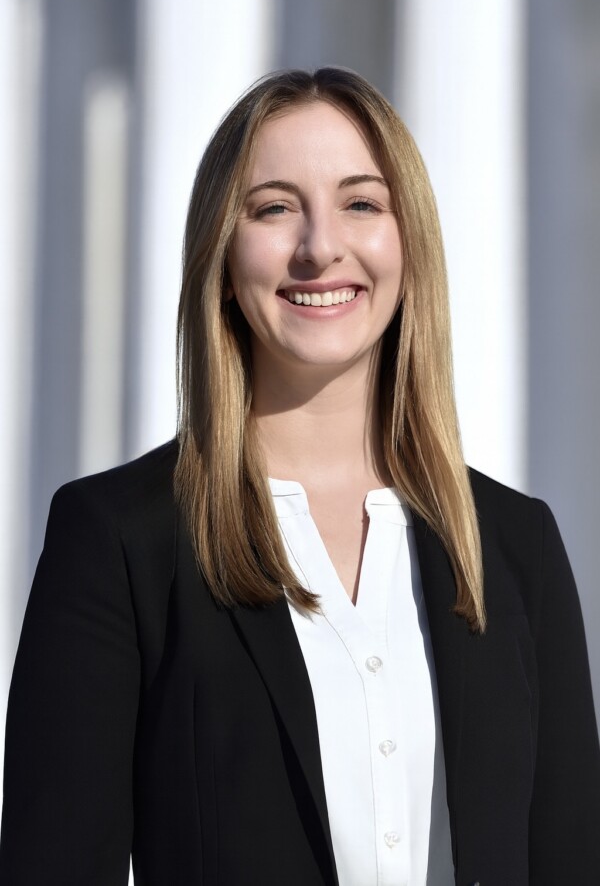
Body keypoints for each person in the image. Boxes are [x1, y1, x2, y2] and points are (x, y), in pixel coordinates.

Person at [0, 67, 599, 886]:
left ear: (408, 238)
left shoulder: (515, 544)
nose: (321, 248)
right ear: (221, 242)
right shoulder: (118, 538)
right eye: (275, 207)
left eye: (361, 203)